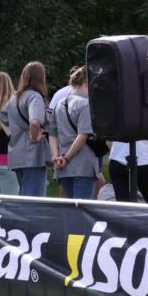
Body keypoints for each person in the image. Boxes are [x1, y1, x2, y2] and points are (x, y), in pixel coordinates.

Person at [0, 61, 51, 197]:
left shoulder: (14, 98)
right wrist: (34, 137)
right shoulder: (35, 97)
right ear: (41, 77)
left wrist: (12, 134)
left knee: (25, 196)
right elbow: (35, 122)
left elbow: (2, 118)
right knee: (35, 201)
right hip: (33, 156)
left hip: (16, 154)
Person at [48, 66, 97, 200]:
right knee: (82, 211)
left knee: (71, 209)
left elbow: (52, 133)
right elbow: (82, 136)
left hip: (63, 167)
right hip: (82, 165)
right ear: (86, 83)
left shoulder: (59, 104)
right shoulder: (85, 104)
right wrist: (67, 158)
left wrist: (56, 156)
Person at [108, 138, 148, 204]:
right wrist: (146, 157)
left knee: (123, 205)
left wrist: (118, 154)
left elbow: (108, 140)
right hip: (142, 160)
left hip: (117, 160)